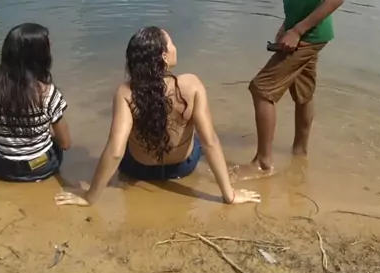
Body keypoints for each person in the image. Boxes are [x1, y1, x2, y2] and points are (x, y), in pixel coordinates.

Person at [55, 26, 260, 207]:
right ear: (163, 56)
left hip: (138, 169)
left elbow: (115, 151)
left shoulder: (126, 92)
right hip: (182, 168)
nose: (175, 47)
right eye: (171, 44)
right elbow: (210, 142)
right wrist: (229, 195)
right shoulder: (191, 85)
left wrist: (90, 197)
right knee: (198, 139)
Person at [243, 0, 344, 175]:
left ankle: (263, 163)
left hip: (308, 36)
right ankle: (300, 153)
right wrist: (287, 26)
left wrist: (298, 31)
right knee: (303, 93)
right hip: (314, 33)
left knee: (261, 89)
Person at [0, 23, 71, 182]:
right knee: (55, 143)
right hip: (40, 168)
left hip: (2, 168)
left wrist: (9, 142)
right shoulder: (47, 93)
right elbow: (66, 143)